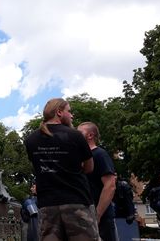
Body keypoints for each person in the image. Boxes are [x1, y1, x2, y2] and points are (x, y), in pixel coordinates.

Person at [24, 98, 99, 241]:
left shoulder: (30, 140)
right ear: (59, 112)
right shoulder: (75, 135)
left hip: (47, 205)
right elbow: (89, 168)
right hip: (76, 201)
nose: (72, 115)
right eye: (69, 111)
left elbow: (37, 167)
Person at [77, 122, 118, 241]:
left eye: (79, 133)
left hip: (101, 218)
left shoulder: (100, 155)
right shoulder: (81, 158)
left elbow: (110, 186)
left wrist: (97, 214)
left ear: (90, 135)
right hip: (84, 214)